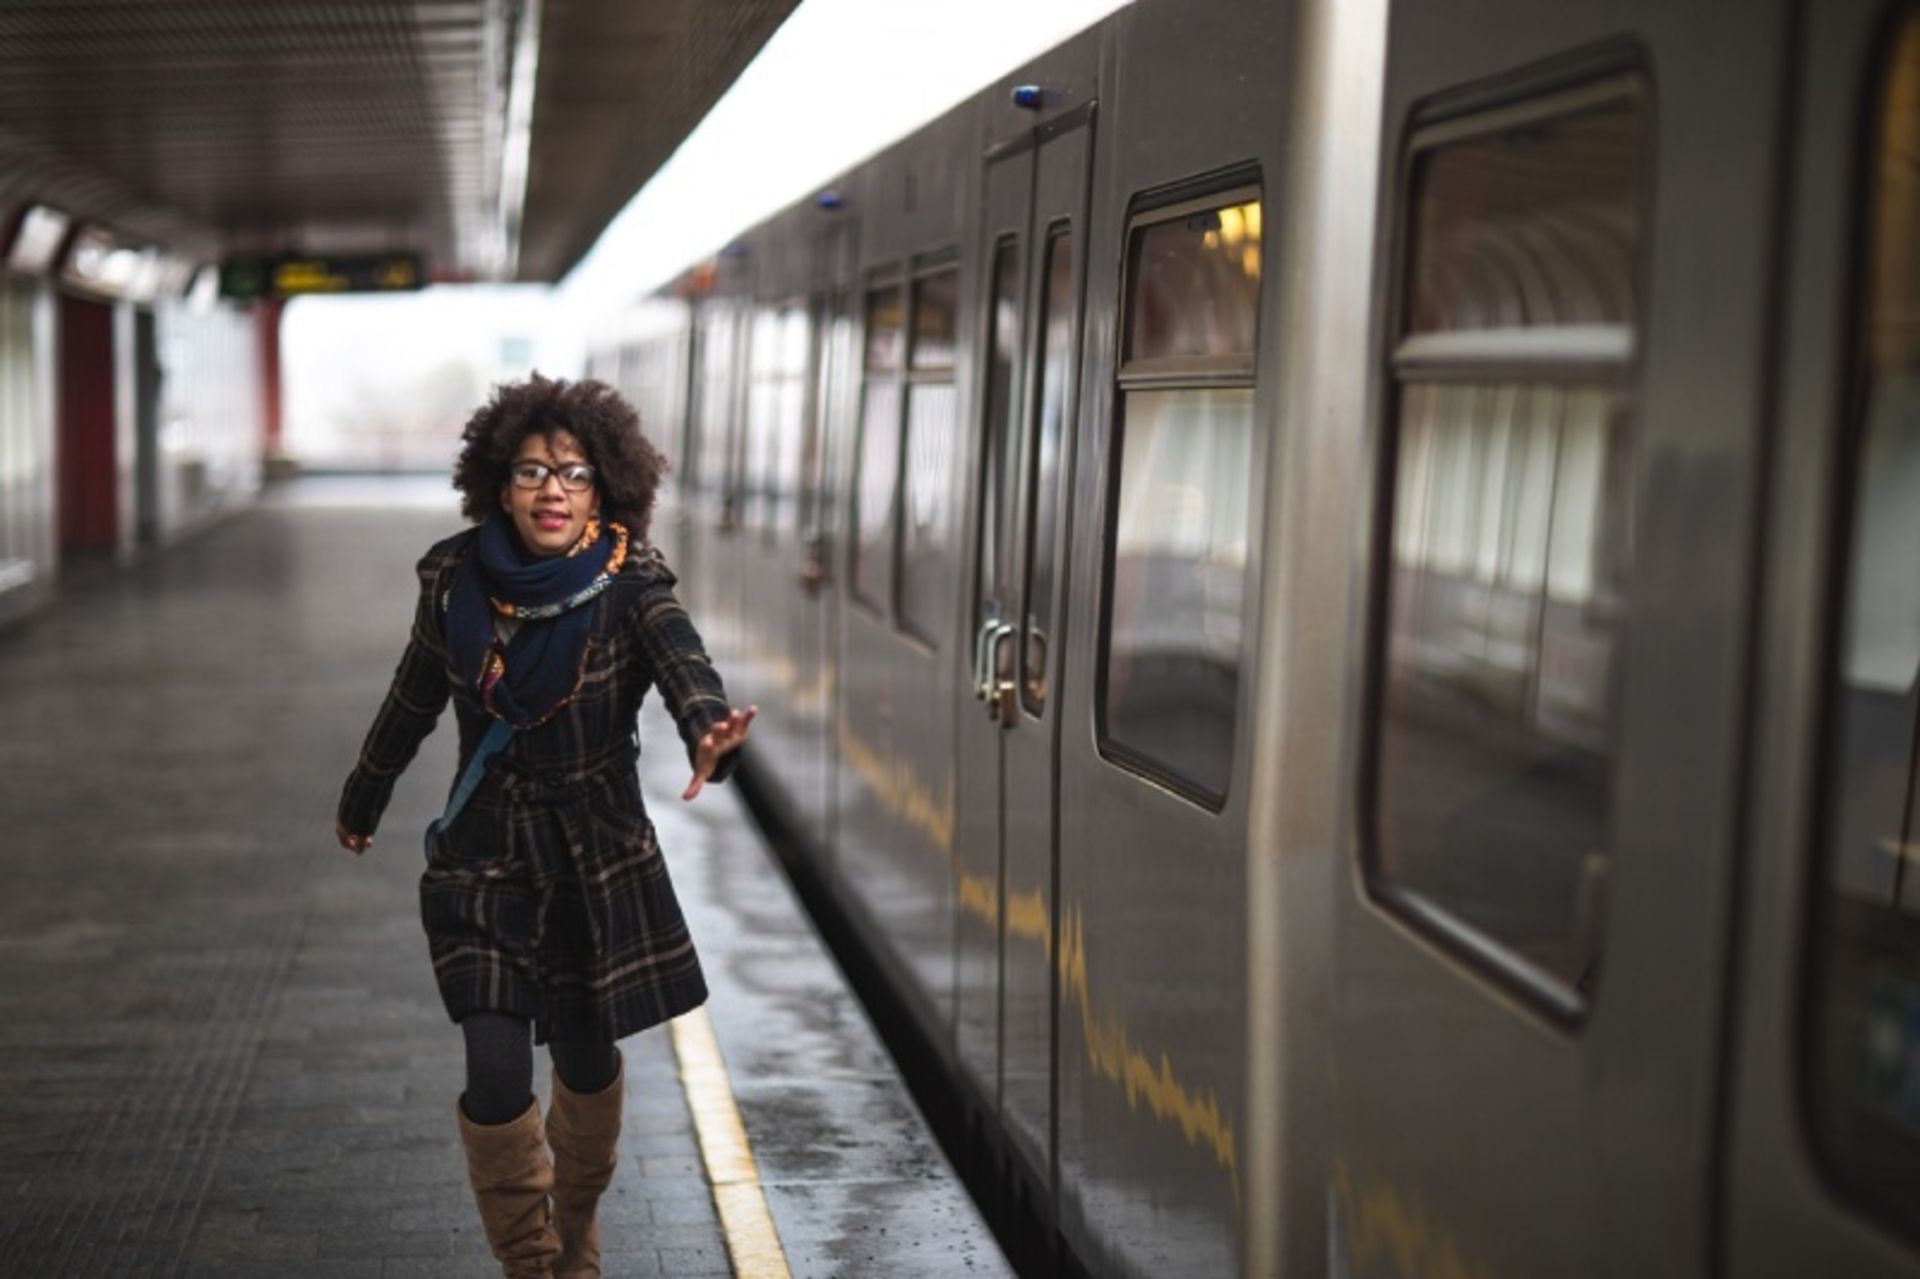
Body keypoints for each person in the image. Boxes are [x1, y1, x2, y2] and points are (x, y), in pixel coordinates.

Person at [334, 373, 755, 1279]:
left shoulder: (631, 584)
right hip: (484, 855)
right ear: (499, 484)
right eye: (530, 472)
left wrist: (710, 735)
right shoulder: (455, 579)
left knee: (587, 1059)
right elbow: (411, 698)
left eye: (572, 473)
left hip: (595, 859)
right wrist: (363, 795)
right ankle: (534, 1264)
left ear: (605, 488)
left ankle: (574, 1227)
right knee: (494, 1072)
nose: (552, 491)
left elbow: (688, 669)